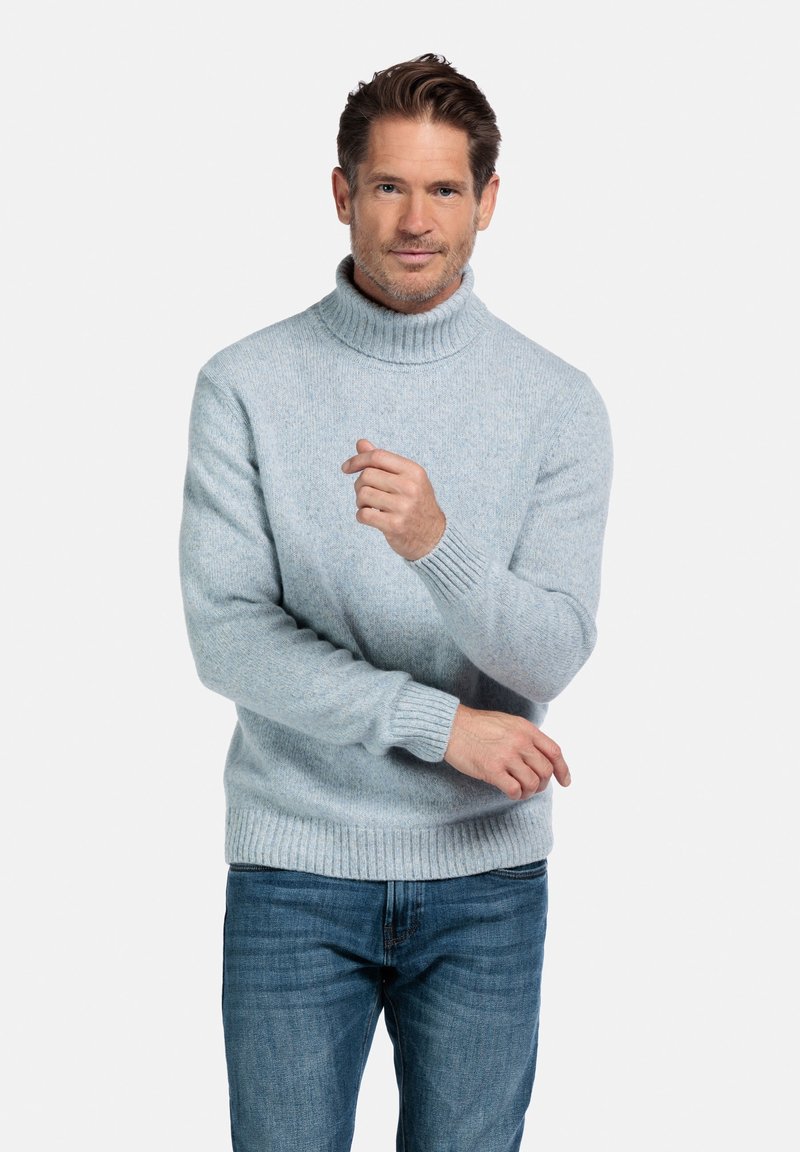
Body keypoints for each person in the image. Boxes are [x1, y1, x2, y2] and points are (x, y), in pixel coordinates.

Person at [180, 52, 612, 1152]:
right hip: (295, 868)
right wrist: (438, 724)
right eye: (388, 186)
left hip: (486, 881)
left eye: (444, 189)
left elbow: (552, 652)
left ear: (487, 201)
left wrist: (435, 547)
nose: (416, 220)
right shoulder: (244, 384)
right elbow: (228, 636)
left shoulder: (557, 402)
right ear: (342, 193)